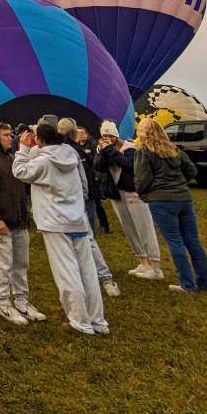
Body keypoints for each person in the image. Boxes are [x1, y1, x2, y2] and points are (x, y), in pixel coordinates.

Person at [13, 123, 108, 336]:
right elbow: (83, 183)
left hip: (55, 222)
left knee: (67, 272)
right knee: (88, 271)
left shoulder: (44, 161)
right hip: (77, 218)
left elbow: (20, 171)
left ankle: (79, 321)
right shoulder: (71, 155)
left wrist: (23, 148)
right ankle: (98, 321)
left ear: (40, 140)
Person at [0, 123, 45, 326]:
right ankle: (4, 303)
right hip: (0, 222)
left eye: (10, 134)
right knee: (3, 264)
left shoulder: (13, 159)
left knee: (21, 263)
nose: (9, 137)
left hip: (19, 220)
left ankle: (22, 300)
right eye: (5, 135)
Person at [134, 119, 207, 294]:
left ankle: (187, 284)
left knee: (175, 241)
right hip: (184, 198)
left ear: (143, 133)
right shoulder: (174, 150)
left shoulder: (144, 152)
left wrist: (145, 194)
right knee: (193, 242)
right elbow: (191, 170)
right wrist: (180, 183)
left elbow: (142, 179)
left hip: (161, 201)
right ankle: (204, 283)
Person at [57, 118, 121, 298]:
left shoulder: (69, 152)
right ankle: (100, 278)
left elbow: (84, 179)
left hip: (73, 203)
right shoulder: (74, 152)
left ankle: (98, 277)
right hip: (77, 201)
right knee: (87, 240)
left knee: (84, 239)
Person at [96, 120, 163, 280]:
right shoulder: (104, 149)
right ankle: (143, 261)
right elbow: (98, 167)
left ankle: (155, 266)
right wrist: (103, 153)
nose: (107, 138)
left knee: (144, 226)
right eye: (104, 135)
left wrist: (110, 150)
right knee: (129, 228)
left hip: (133, 192)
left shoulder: (130, 148)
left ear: (116, 135)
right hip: (117, 193)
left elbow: (129, 165)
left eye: (110, 135)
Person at [74, 127, 111, 233]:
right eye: (78, 133)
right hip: (83, 177)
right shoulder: (76, 147)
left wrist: (97, 176)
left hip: (93, 177)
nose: (80, 135)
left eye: (82, 133)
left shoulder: (93, 145)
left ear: (87, 134)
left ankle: (104, 225)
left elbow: (97, 161)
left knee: (97, 203)